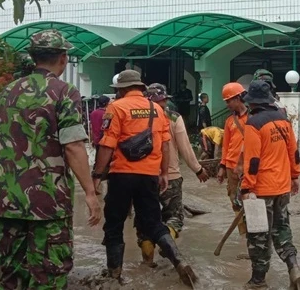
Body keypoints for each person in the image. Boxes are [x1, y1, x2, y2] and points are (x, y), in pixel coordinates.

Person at [0, 30, 101, 289]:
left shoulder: (7, 92)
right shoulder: (64, 92)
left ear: (32, 57)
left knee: (11, 273)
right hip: (48, 201)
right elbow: (73, 145)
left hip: (8, 197)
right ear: (63, 58)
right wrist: (90, 192)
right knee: (49, 273)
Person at [92, 70, 197, 286]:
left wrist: (96, 175)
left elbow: (107, 144)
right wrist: (165, 173)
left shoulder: (117, 107)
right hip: (149, 175)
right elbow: (165, 145)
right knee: (154, 223)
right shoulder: (157, 110)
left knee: (114, 224)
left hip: (121, 175)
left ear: (121, 89)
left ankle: (114, 274)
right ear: (140, 87)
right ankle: (179, 260)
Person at [137, 83, 209, 266]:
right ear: (165, 99)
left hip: (143, 176)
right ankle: (167, 242)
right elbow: (185, 148)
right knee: (175, 217)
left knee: (145, 222)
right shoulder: (174, 117)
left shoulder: (137, 115)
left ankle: (147, 265)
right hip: (171, 176)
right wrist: (198, 169)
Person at [241, 79, 300, 289]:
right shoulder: (283, 120)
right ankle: (293, 267)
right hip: (283, 186)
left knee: (259, 235)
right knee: (282, 229)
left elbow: (252, 160)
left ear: (252, 103)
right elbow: (293, 152)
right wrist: (295, 176)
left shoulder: (253, 123)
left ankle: (258, 280)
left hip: (261, 189)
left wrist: (247, 188)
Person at [218, 82, 249, 236]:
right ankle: (243, 234)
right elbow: (226, 145)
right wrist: (222, 167)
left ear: (238, 98)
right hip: (231, 167)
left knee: (250, 201)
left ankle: (253, 234)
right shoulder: (229, 121)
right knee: (235, 202)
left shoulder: (253, 118)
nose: (227, 104)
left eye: (229, 100)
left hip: (248, 168)